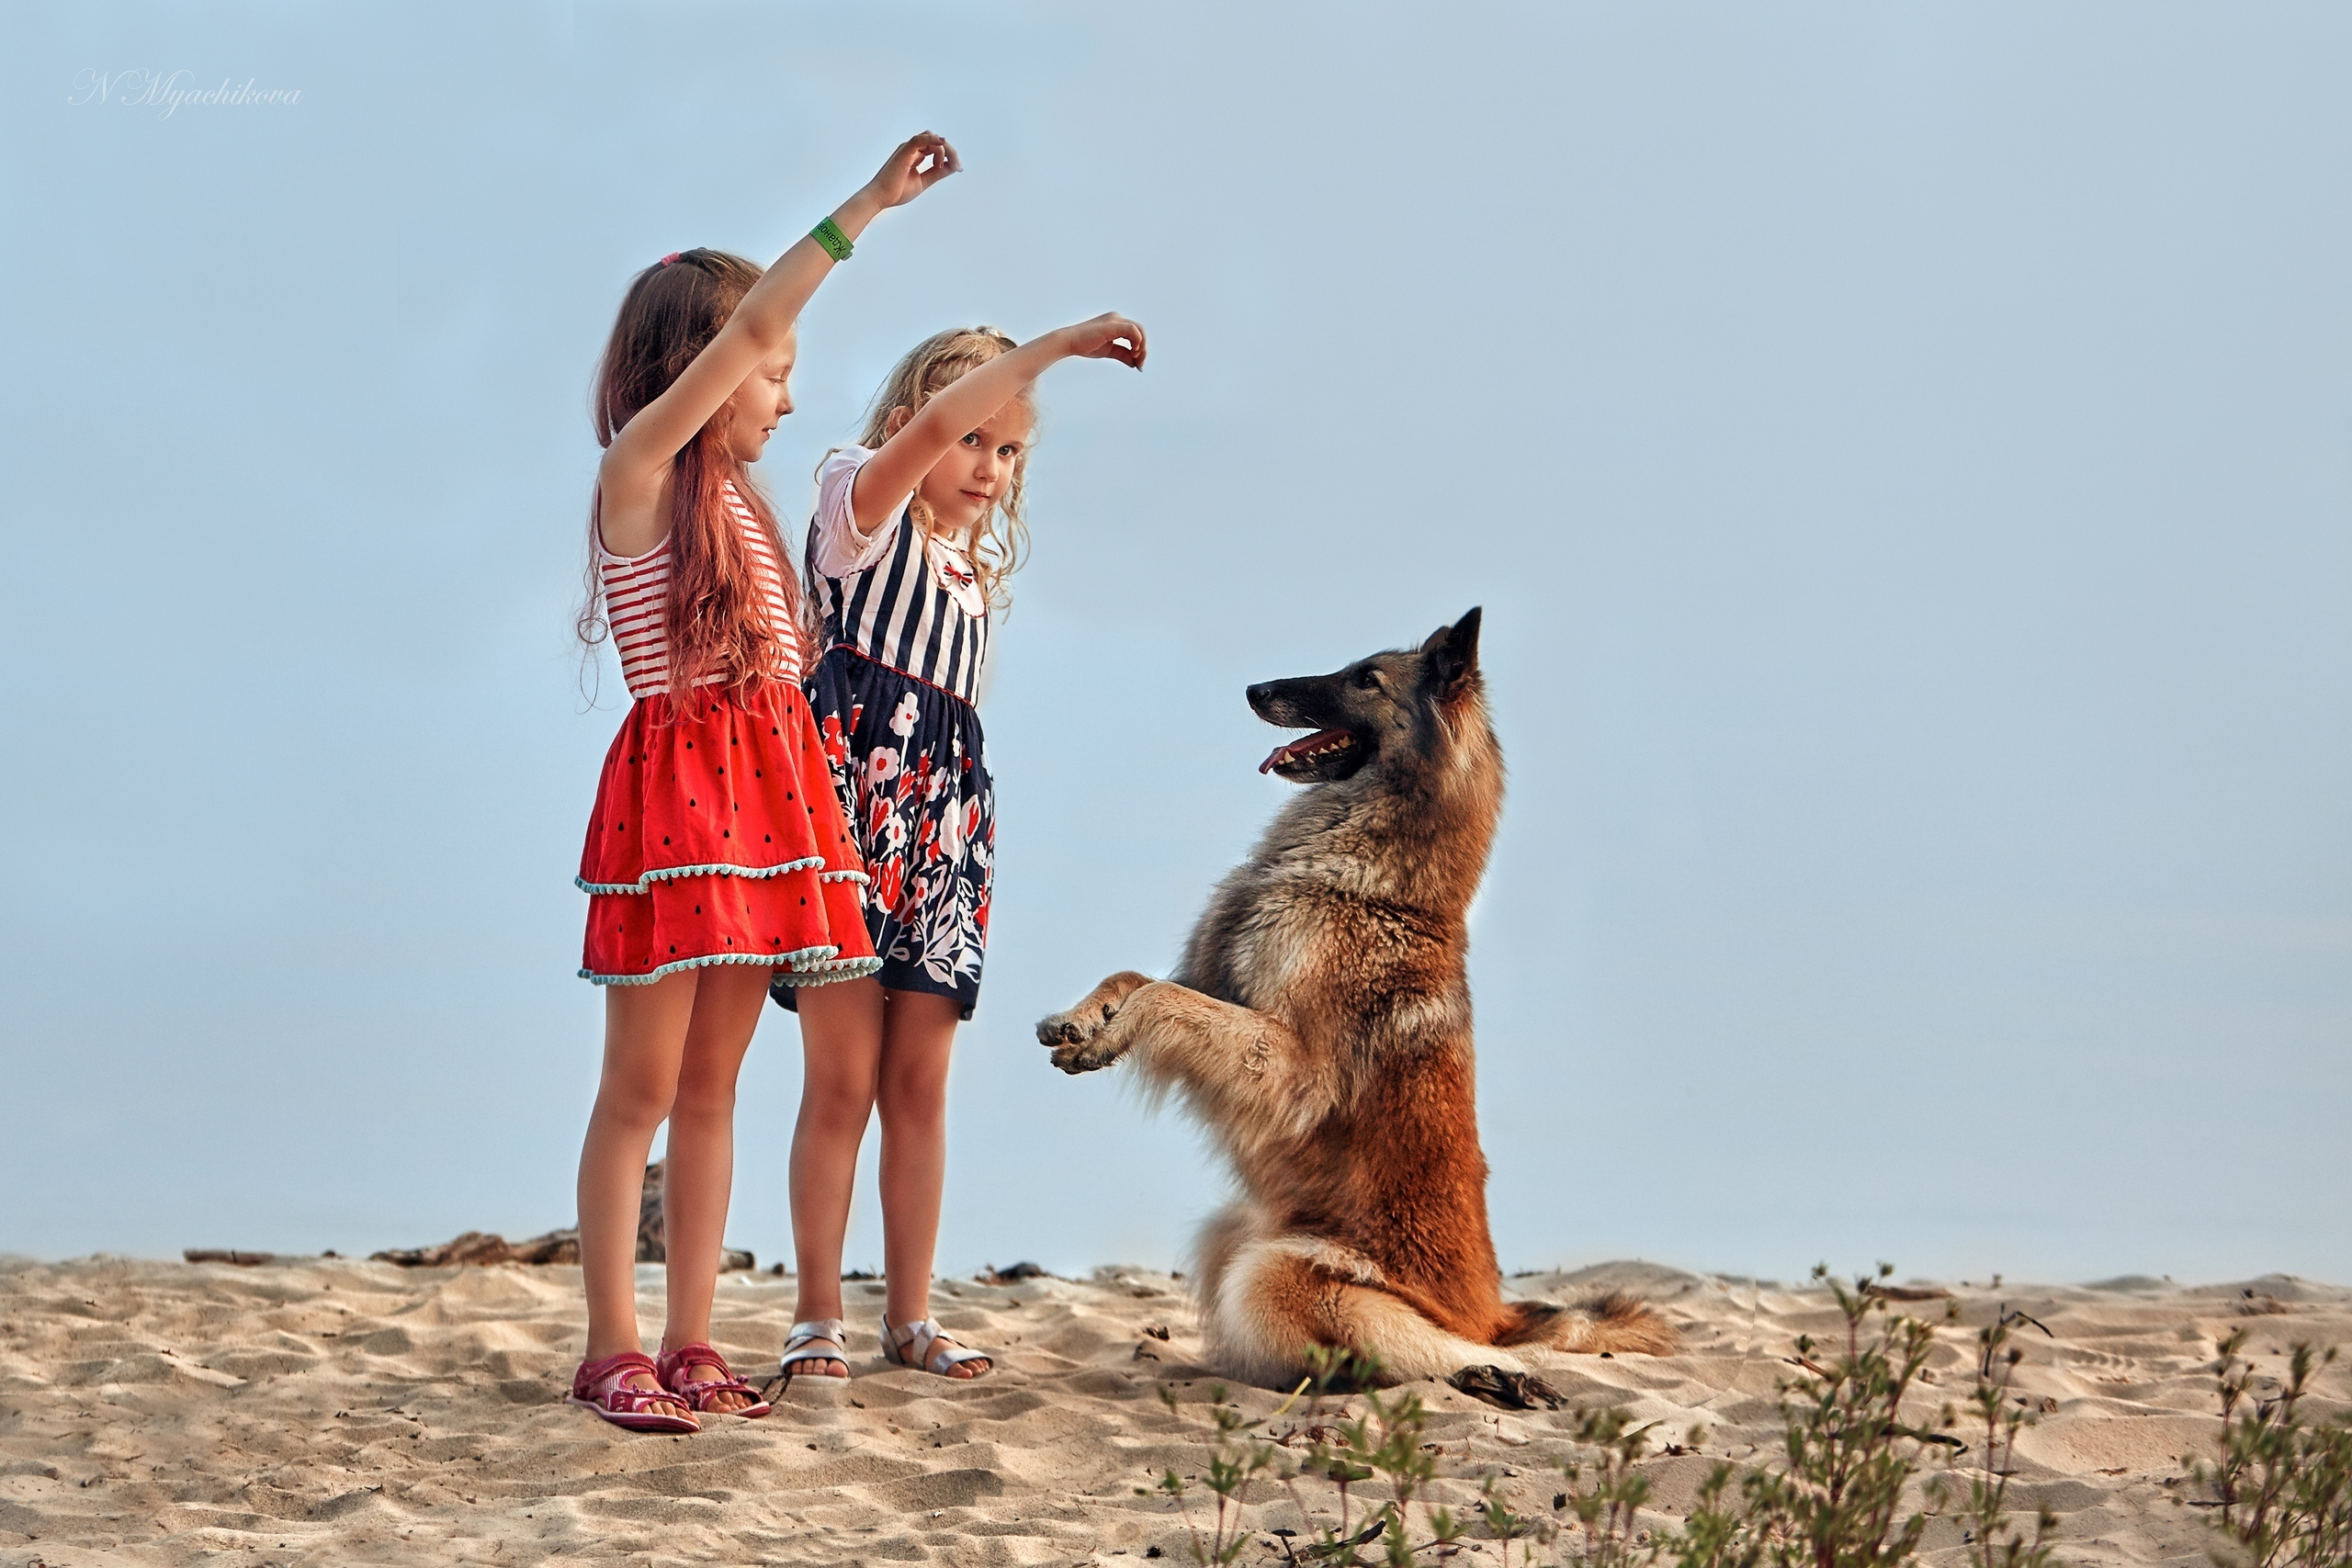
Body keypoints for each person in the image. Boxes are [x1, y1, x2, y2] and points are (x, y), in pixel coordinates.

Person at [565, 133, 960, 1433]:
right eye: (770, 374)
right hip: (678, 799)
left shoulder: (742, 499)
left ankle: (689, 1336)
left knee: (715, 1085)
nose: (784, 395)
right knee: (640, 1085)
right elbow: (752, 325)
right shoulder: (639, 477)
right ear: (705, 368)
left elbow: (754, 346)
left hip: (769, 794)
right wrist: (866, 209)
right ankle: (611, 1341)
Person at [772, 312, 1147, 1383]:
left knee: (921, 1087)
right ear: (909, 430)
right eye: (972, 438)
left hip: (945, 834)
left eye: (1009, 447)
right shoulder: (857, 512)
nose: (988, 464)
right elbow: (934, 421)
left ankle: (910, 1316)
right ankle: (815, 1318)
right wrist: (1061, 347)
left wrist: (1022, 392)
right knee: (839, 1082)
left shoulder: (971, 577)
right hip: (848, 827)